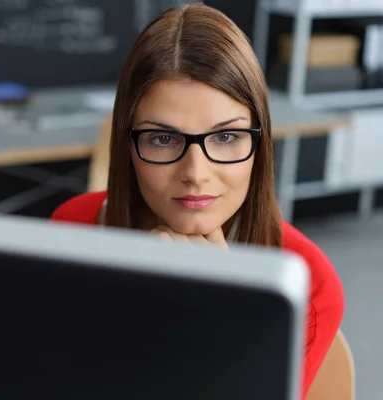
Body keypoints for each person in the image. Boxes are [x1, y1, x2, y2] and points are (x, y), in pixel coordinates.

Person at [50, 4, 344, 399]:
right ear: (128, 146)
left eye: (225, 138)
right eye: (162, 138)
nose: (196, 172)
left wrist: (216, 327)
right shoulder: (74, 227)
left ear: (259, 144)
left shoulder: (306, 285)